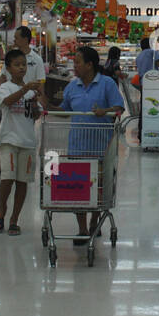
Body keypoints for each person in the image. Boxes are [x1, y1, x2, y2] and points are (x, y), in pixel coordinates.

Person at [59, 45, 124, 242]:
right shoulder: (72, 86)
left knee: (98, 188)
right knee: (78, 188)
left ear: (90, 64)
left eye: (78, 61)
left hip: (101, 147)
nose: (74, 65)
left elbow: (119, 106)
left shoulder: (106, 84)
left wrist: (106, 111)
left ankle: (94, 221)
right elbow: (64, 110)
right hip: (77, 145)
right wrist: (45, 103)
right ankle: (82, 229)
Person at [0, 48, 45, 235]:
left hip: (28, 141)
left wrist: (35, 102)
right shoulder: (6, 86)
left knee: (23, 181)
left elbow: (36, 115)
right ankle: (2, 209)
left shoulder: (31, 91)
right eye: (17, 65)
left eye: (23, 64)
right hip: (9, 139)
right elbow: (6, 102)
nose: (22, 68)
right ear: (8, 68)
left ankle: (14, 219)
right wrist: (25, 90)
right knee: (7, 177)